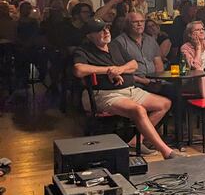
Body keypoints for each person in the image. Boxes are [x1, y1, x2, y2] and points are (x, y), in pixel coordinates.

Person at [73, 19, 186, 159]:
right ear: (89, 35)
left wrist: (119, 69)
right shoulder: (83, 50)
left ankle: (135, 141)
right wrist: (108, 70)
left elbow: (133, 64)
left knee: (164, 104)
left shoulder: (114, 46)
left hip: (130, 90)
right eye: (100, 30)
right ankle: (167, 152)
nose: (106, 31)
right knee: (139, 110)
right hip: (106, 94)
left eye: (107, 28)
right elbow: (79, 70)